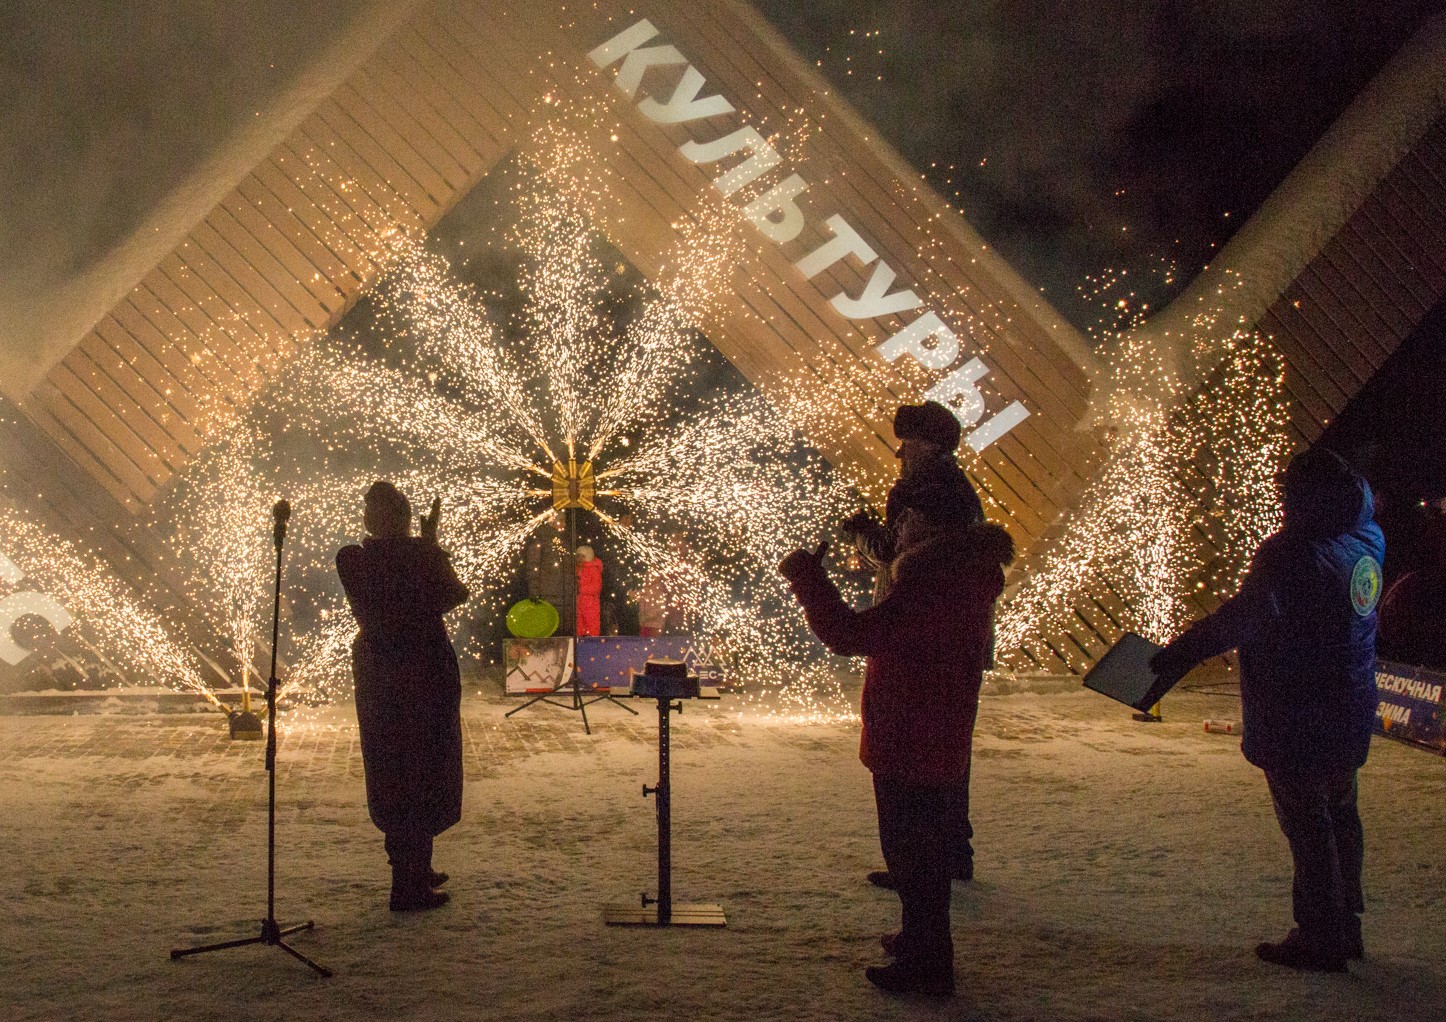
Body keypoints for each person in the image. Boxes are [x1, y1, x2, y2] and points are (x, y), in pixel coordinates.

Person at [1150, 447, 1384, 972]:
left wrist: (1176, 657)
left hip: (1297, 708)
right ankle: (1346, 925)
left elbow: (1243, 618)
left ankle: (1319, 934)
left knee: (1307, 824)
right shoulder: (1368, 537)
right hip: (1348, 700)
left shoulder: (1290, 552)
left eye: (1288, 495)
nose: (1281, 504)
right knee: (1342, 814)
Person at [780, 500, 1014, 996]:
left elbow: (851, 634)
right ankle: (919, 942)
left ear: (935, 528)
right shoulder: (959, 577)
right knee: (918, 851)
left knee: (914, 854)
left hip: (912, 735)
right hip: (931, 732)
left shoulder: (933, 585)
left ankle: (929, 965)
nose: (900, 529)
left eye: (909, 520)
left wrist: (809, 581)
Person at [842, 400, 984, 887]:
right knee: (945, 750)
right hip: (956, 636)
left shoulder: (923, 491)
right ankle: (949, 855)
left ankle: (921, 867)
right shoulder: (957, 487)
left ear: (925, 443)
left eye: (906, 443)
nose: (899, 452)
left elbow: (896, 552)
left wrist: (860, 532)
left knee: (908, 753)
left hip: (918, 636)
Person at [337, 481, 470, 912]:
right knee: (416, 771)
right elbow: (452, 592)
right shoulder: (370, 560)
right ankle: (407, 884)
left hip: (384, 674)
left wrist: (424, 548)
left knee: (400, 770)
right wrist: (429, 547)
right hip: (415, 672)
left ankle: (414, 868)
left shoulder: (357, 559)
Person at [524, 513, 573, 634]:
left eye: (564, 521)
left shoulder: (565, 542)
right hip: (547, 597)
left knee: (564, 634)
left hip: (566, 597)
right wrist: (534, 592)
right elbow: (532, 568)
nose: (564, 524)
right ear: (551, 521)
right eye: (561, 520)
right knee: (549, 632)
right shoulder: (540, 541)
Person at [575, 544, 604, 638]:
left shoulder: (593, 569)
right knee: (579, 626)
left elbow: (596, 587)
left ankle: (593, 646)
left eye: (582, 556)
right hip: (578, 602)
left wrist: (580, 589)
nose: (579, 558)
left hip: (591, 603)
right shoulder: (576, 569)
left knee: (592, 626)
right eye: (578, 556)